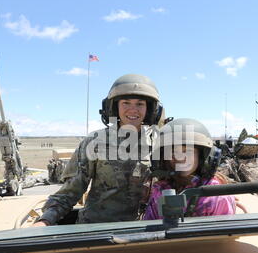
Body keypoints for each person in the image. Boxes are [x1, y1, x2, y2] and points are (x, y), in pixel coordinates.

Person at [34, 74, 163, 226]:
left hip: (140, 228)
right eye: (126, 103)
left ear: (150, 109)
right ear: (114, 107)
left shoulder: (159, 143)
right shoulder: (95, 142)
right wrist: (44, 220)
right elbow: (70, 192)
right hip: (95, 228)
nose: (133, 109)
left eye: (140, 104)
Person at [143, 118, 240, 220]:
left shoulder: (216, 196)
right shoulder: (160, 190)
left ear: (203, 156)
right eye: (173, 152)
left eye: (188, 151)